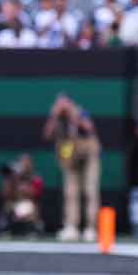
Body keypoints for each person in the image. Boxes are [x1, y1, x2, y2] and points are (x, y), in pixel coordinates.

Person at [43, 93, 100, 241]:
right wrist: (54, 115)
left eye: (64, 104)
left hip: (88, 155)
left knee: (90, 190)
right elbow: (47, 134)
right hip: (70, 156)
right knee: (70, 192)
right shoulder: (57, 118)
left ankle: (91, 227)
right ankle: (71, 226)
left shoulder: (79, 112)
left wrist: (72, 115)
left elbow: (89, 127)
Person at [0, 153, 44, 236]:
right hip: (15, 204)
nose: (25, 165)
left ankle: (34, 228)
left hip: (29, 205)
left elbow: (37, 195)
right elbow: (5, 194)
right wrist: (12, 181)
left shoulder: (36, 178)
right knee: (8, 205)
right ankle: (5, 228)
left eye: (27, 162)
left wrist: (26, 190)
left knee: (33, 208)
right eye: (23, 162)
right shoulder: (13, 178)